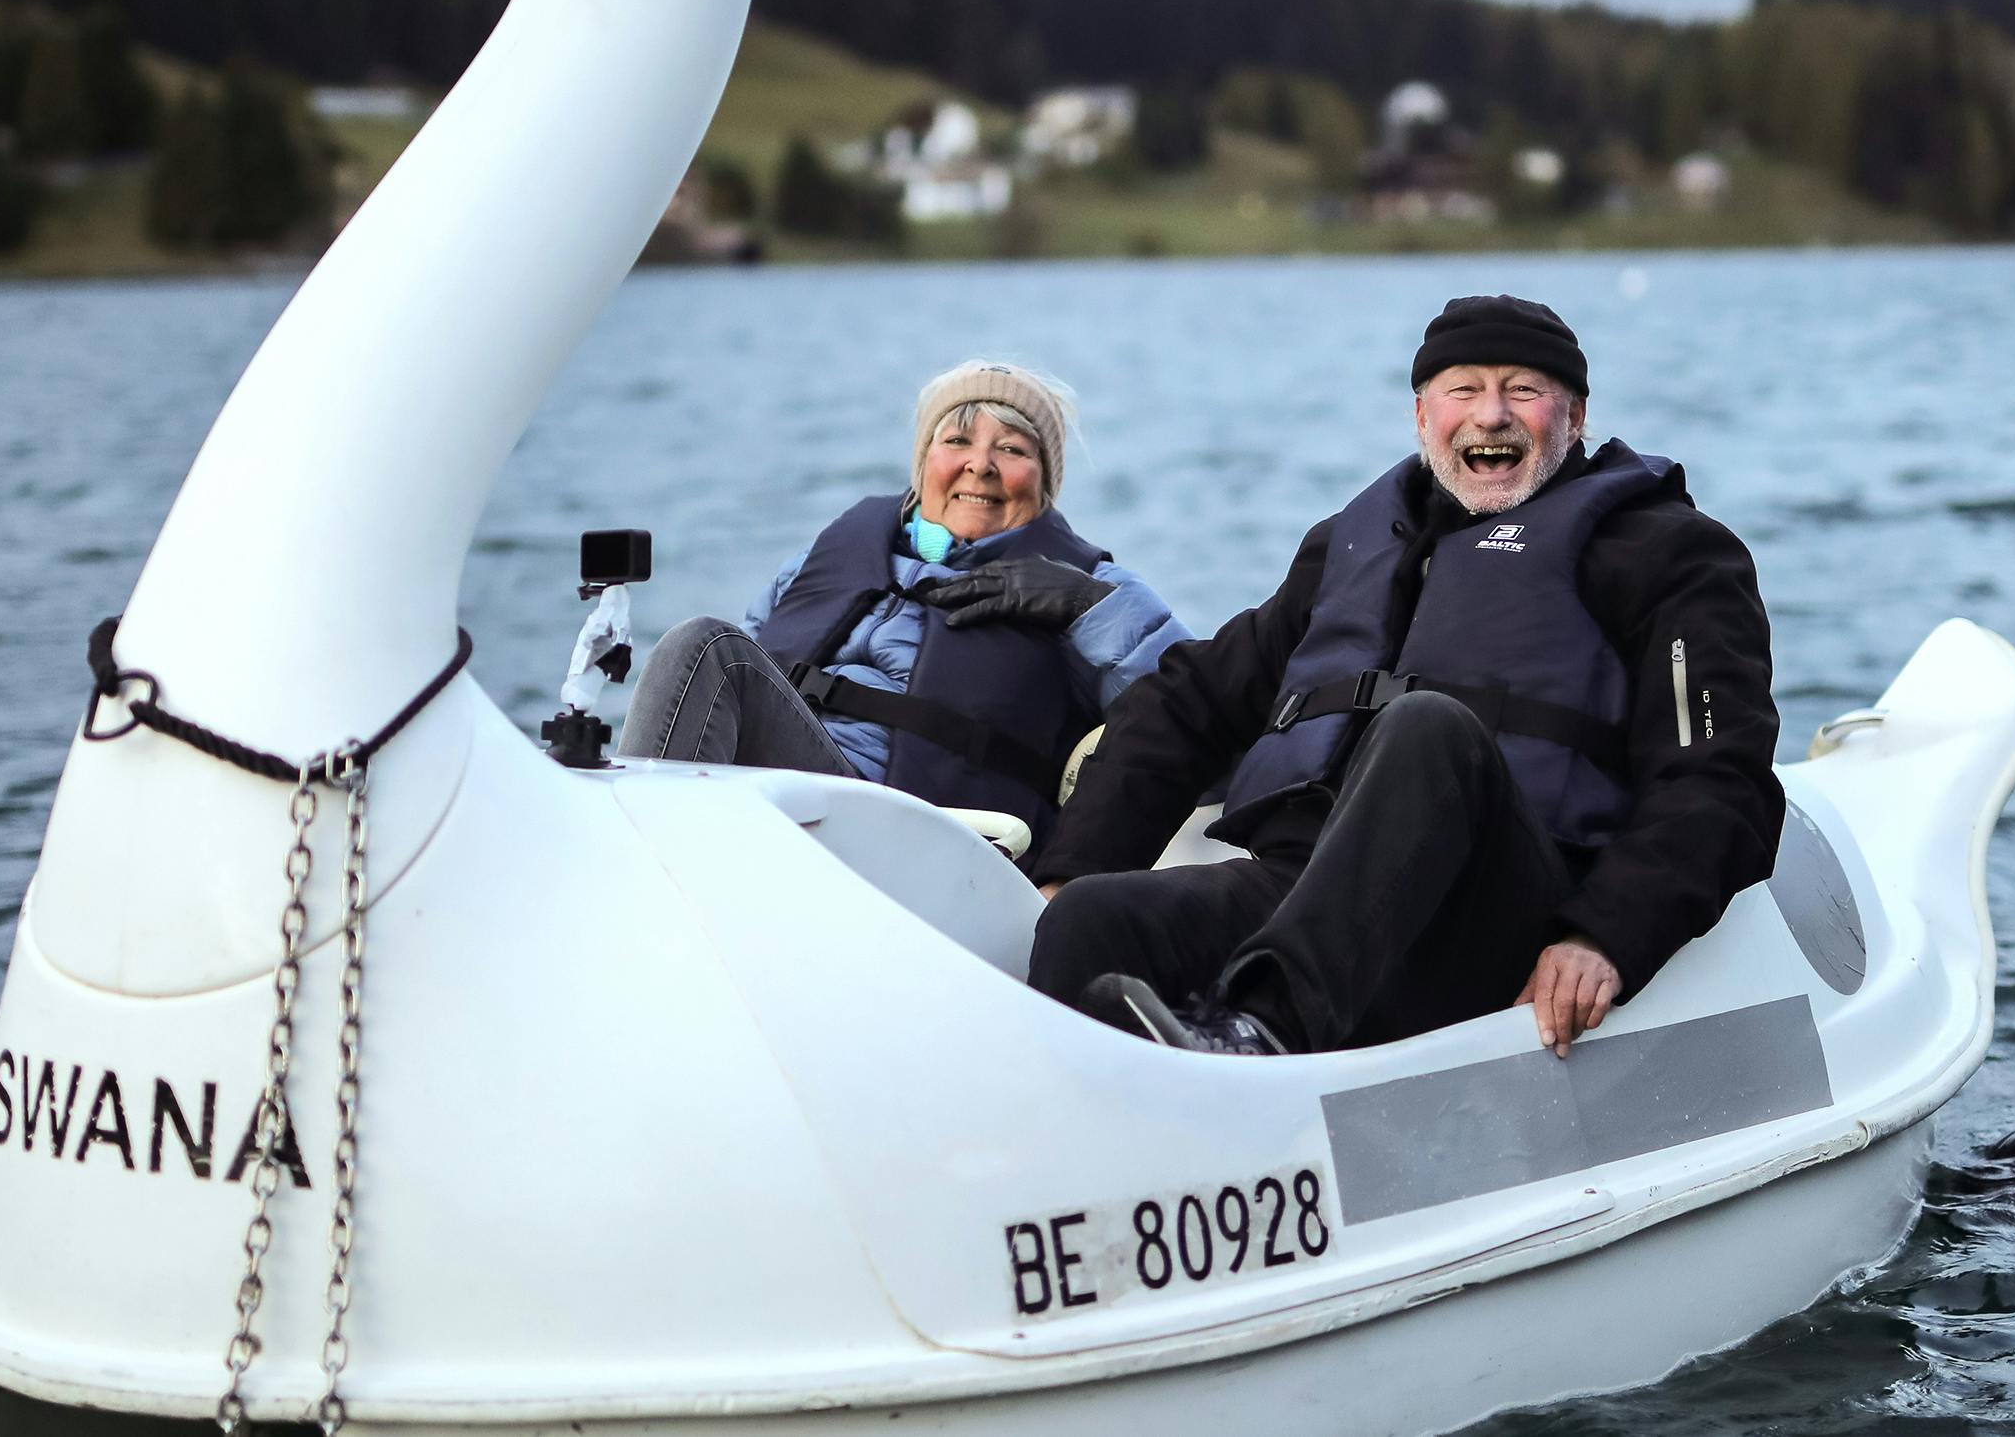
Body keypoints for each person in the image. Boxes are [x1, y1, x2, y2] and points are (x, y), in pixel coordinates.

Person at [1025, 295, 1781, 1057]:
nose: (1490, 415)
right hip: (1305, 883)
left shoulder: (1666, 552)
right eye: (1463, 390)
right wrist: (1062, 872)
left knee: (1428, 725)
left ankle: (1264, 1033)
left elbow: (1720, 778)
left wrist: (1604, 933)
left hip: (1496, 913)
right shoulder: (1350, 547)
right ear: (1423, 417)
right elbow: (1190, 698)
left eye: (1522, 389)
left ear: (1575, 416)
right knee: (1090, 917)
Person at [624, 360, 1189, 843]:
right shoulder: (828, 557)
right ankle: (649, 849)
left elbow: (1199, 733)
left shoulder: (1090, 590)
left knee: (707, 647)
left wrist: (1092, 605)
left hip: (920, 830)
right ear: (923, 465)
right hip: (774, 797)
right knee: (705, 653)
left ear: (1044, 484)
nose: (981, 464)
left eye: (1012, 448)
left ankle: (642, 861)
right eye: (957, 440)